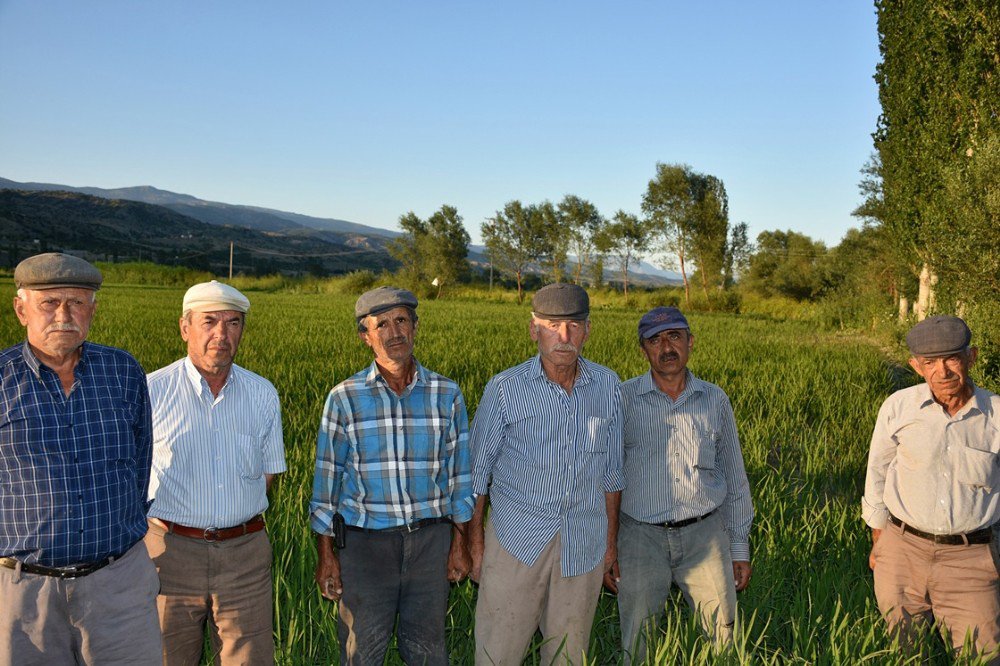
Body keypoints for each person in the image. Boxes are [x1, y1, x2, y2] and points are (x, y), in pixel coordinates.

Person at [0, 252, 161, 665]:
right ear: (21, 309)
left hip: (118, 584)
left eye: (76, 302)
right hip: (24, 594)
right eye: (49, 303)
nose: (63, 314)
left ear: (93, 309)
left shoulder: (123, 371)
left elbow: (140, 463)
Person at [311, 286, 473, 666]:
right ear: (365, 337)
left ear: (416, 327)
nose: (394, 331)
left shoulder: (446, 393)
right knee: (361, 652)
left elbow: (459, 477)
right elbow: (326, 486)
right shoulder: (344, 398)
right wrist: (326, 555)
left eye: (401, 320)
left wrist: (460, 543)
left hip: (431, 543)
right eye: (380, 324)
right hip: (367, 548)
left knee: (429, 650)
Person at [469, 283, 625, 666]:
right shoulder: (505, 389)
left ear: (588, 331)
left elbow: (613, 475)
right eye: (553, 325)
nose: (564, 337)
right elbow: (475, 475)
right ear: (534, 329)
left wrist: (609, 544)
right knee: (497, 653)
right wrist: (472, 545)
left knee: (568, 656)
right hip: (516, 542)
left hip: (582, 545)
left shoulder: (608, 386)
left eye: (573, 326)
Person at [143, 280, 286, 665]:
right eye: (209, 322)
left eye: (233, 323)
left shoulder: (262, 394)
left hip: (244, 555)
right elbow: (131, 475)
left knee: (250, 659)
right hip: (170, 554)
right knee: (166, 657)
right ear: (185, 327)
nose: (221, 334)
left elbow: (268, 475)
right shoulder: (151, 391)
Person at [611, 306, 753, 661]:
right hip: (639, 537)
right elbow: (606, 476)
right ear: (643, 350)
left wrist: (739, 547)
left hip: (705, 534)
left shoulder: (714, 399)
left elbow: (734, 476)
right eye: (655, 340)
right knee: (637, 640)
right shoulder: (622, 400)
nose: (666, 347)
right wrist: (607, 546)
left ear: (691, 343)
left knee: (723, 637)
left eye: (674, 337)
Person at [863, 315, 1000, 661]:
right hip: (902, 553)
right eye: (930, 362)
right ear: (915, 365)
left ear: (972, 357)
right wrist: (880, 537)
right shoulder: (899, 407)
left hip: (971, 560)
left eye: (952, 358)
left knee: (982, 655)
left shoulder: (995, 414)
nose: (943, 371)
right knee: (904, 653)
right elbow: (877, 471)